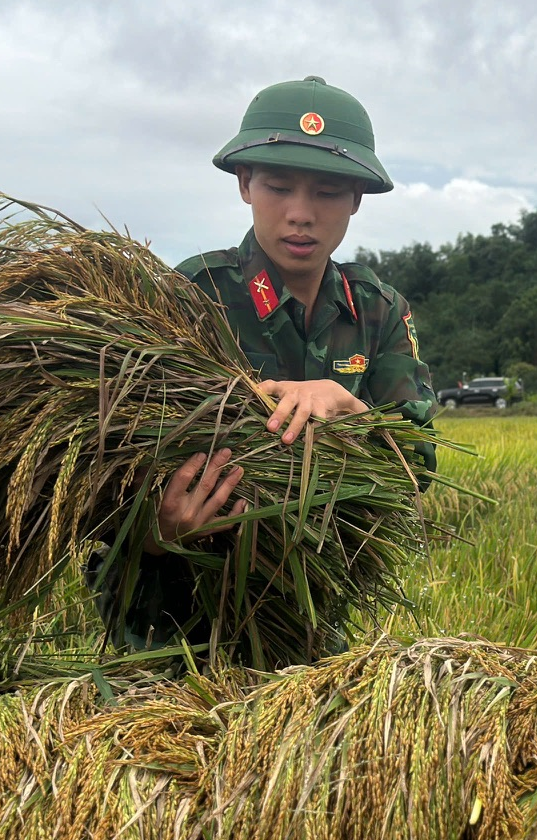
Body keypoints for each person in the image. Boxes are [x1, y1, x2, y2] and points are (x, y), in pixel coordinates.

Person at [95, 76, 435, 653]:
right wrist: (156, 532)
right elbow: (101, 473)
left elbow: (416, 468)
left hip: (307, 614)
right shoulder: (186, 299)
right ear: (246, 184)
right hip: (169, 623)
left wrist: (351, 408)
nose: (300, 214)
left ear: (356, 199)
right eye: (278, 186)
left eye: (328, 193)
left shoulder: (377, 310)